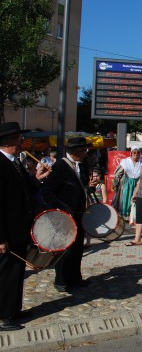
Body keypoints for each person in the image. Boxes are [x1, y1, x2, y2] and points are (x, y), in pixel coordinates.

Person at [40, 137, 94, 293]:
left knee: (77, 247)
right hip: (64, 216)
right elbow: (47, 192)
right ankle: (61, 280)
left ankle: (75, 278)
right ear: (74, 151)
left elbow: (80, 186)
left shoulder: (81, 166)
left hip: (78, 213)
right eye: (83, 150)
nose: (85, 153)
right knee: (65, 249)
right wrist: (63, 209)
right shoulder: (60, 166)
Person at [0, 122, 35, 330]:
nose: (22, 141)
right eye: (19, 138)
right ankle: (3, 315)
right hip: (7, 232)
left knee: (17, 272)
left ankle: (14, 309)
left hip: (19, 229)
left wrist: (36, 179)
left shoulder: (16, 161)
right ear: (7, 141)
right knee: (6, 273)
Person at [111, 147, 142, 220]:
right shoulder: (125, 162)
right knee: (123, 200)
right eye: (134, 152)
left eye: (138, 153)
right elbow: (117, 174)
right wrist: (115, 183)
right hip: (125, 184)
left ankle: (131, 216)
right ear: (131, 153)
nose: (136, 154)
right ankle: (123, 216)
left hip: (136, 185)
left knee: (133, 201)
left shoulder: (141, 164)